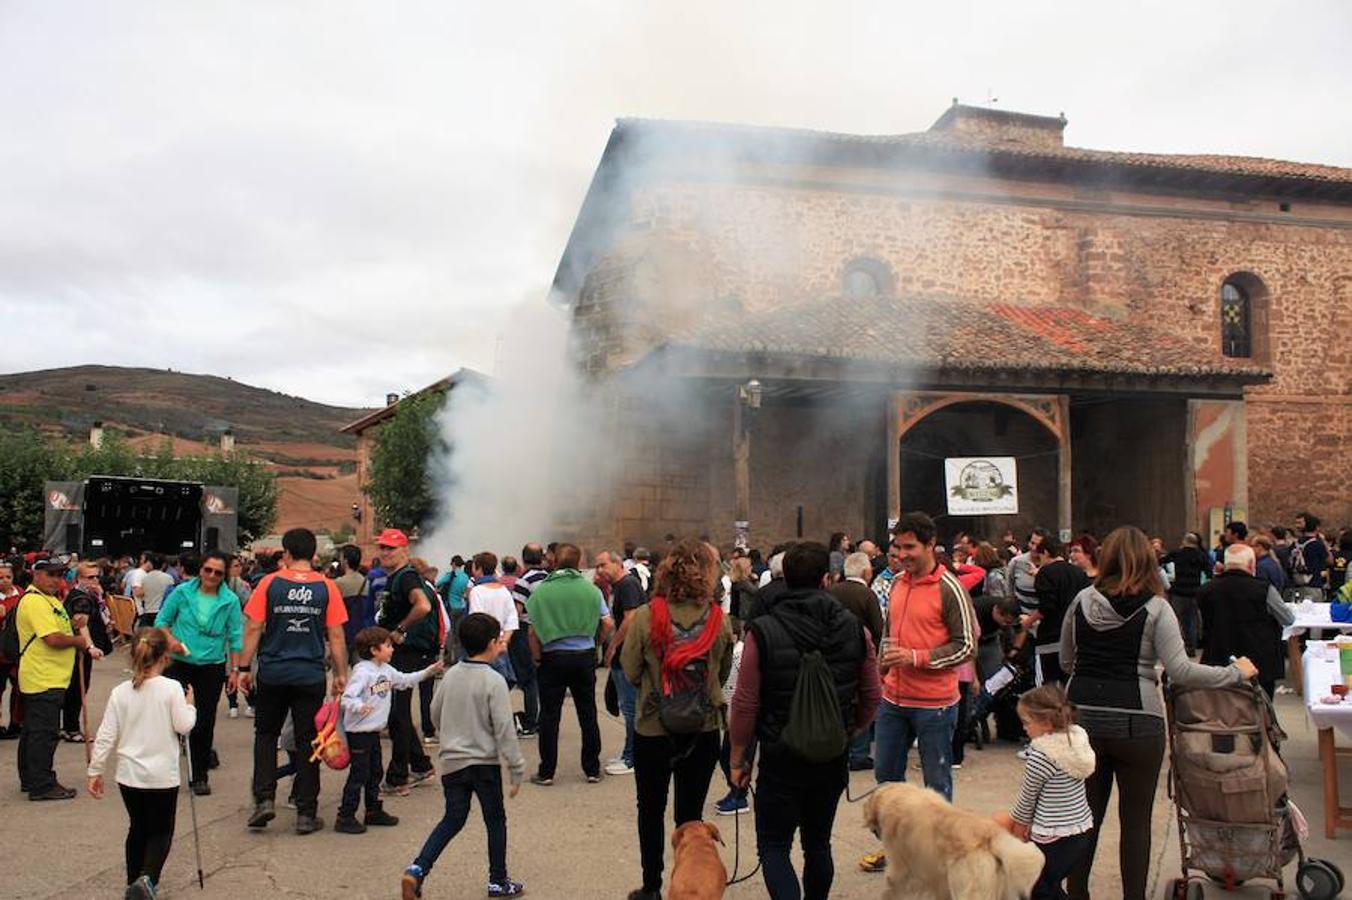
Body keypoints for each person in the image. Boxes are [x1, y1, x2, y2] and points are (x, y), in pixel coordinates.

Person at [1061, 525, 1258, 900]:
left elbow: (1069, 661)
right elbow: (1181, 670)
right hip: (1138, 720)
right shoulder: (1156, 608)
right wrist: (1234, 673)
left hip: (1082, 718)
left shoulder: (1081, 601)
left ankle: (1078, 892)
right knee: (1135, 823)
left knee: (1084, 818)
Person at [731, 542, 878, 900]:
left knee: (774, 844)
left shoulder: (762, 630)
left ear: (783, 579)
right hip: (831, 752)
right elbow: (873, 693)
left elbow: (745, 700)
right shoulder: (855, 629)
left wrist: (738, 755)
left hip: (781, 751)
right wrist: (849, 728)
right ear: (827, 579)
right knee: (818, 843)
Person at [860, 512, 976, 874]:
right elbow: (888, 635)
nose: (902, 554)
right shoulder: (895, 583)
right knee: (886, 782)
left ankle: (939, 859)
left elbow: (966, 646)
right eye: (897, 547)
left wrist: (916, 657)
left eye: (910, 547)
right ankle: (898, 851)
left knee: (936, 786)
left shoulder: (949, 587)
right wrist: (880, 670)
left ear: (930, 546)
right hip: (893, 700)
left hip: (935, 706)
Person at [620, 538, 734, 900]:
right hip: (702, 730)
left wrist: (657, 688)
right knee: (690, 816)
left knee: (649, 809)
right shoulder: (720, 618)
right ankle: (691, 884)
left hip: (653, 727)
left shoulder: (646, 615)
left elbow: (630, 668)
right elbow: (724, 669)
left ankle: (653, 886)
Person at [402, 613, 526, 899]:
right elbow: (504, 728)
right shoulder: (494, 681)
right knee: (495, 819)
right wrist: (516, 767)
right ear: (493, 643)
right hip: (484, 763)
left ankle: (418, 869)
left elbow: (434, 712)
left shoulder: (452, 675)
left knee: (453, 818)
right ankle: (498, 880)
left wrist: (452, 732)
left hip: (453, 763)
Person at [238, 527, 349, 834]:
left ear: (285, 553)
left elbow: (253, 628)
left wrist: (244, 668)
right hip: (310, 675)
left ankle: (263, 801)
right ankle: (305, 812)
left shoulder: (269, 583)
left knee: (266, 735)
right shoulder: (327, 587)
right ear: (313, 554)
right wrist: (341, 675)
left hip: (273, 672)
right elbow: (337, 636)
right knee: (307, 742)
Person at [86, 627, 197, 899]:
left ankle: (132, 880)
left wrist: (95, 769)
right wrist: (190, 705)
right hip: (161, 775)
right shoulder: (171, 689)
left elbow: (106, 734)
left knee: (137, 827)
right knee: (161, 830)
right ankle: (147, 879)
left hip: (129, 775)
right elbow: (183, 726)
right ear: (164, 657)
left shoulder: (121, 692)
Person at [338, 626, 444, 834]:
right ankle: (345, 815)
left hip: (373, 731)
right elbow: (347, 697)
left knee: (375, 771)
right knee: (359, 774)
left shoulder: (386, 670)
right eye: (387, 646)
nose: (392, 649)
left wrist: (428, 672)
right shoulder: (363, 672)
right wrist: (360, 707)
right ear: (374, 650)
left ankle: (372, 810)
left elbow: (404, 681)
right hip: (359, 733)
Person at [153, 550, 242, 795]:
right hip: (178, 663)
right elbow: (161, 622)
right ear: (201, 569)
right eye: (208, 570)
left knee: (203, 721)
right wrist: (170, 641)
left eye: (218, 573)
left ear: (224, 576)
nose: (212, 576)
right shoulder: (181, 593)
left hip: (211, 666)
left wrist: (235, 670)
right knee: (169, 719)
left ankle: (198, 776)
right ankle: (162, 774)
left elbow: (235, 637)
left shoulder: (230, 601)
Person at [996, 684, 1095, 900]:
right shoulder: (1077, 740)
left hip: (1052, 835)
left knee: (1035, 888)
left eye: (1026, 722)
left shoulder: (1042, 755)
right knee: (1050, 885)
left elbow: (1028, 798)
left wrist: (1018, 827)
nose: (1024, 728)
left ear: (1046, 723)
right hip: (1081, 830)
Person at [525, 542, 613, 786]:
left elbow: (532, 632)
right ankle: (592, 769)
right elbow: (607, 623)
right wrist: (596, 643)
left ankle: (547, 772)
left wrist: (536, 657)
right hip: (583, 655)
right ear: (578, 563)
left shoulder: (541, 591)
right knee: (588, 713)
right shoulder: (591, 590)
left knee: (550, 716)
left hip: (552, 657)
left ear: (554, 562)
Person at [16, 555, 92, 800]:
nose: (56, 580)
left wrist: (71, 623)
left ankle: (31, 778)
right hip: (43, 677)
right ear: (36, 575)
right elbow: (53, 639)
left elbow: (56, 629)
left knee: (33, 731)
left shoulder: (48, 600)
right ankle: (42, 783)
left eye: (60, 575)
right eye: (50, 574)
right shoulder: (35, 602)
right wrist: (79, 641)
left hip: (47, 675)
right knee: (43, 733)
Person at [374, 529, 440, 791]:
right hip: (404, 650)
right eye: (382, 548)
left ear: (404, 550)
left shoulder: (406, 577)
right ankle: (421, 765)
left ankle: (398, 775)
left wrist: (400, 630)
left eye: (391, 548)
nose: (385, 552)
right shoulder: (398, 577)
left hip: (407, 649)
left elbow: (422, 606)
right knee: (397, 710)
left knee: (397, 712)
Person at [1197, 543, 1294, 698]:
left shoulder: (1206, 590)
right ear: (1251, 564)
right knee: (1260, 707)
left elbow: (1201, 624)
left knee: (1221, 707)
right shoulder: (1264, 589)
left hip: (1218, 657)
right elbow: (1287, 619)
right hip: (1259, 660)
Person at [830, 550, 885, 772]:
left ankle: (839, 749)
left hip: (833, 655)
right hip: (860, 655)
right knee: (862, 699)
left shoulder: (832, 591)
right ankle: (859, 753)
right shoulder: (867, 595)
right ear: (865, 571)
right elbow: (878, 628)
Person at [599, 549, 646, 777]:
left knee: (630, 708)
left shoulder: (627, 585)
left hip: (628, 656)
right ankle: (629, 752)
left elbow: (631, 618)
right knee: (627, 706)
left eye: (603, 565)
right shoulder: (621, 586)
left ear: (617, 564)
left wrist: (613, 645)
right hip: (624, 656)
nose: (599, 570)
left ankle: (632, 757)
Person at [60, 561, 112, 742]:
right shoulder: (81, 599)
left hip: (80, 649)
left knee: (77, 688)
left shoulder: (88, 595)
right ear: (79, 578)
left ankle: (68, 726)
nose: (95, 580)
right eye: (90, 577)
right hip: (79, 651)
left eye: (97, 576)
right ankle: (71, 728)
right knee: (77, 688)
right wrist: (90, 647)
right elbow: (82, 626)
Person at [1030, 536, 1091, 686]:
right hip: (1074, 636)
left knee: (1047, 685)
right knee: (1068, 683)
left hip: (1050, 637)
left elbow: (1046, 607)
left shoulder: (1045, 573)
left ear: (1045, 552)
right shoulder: (1079, 573)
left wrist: (1028, 621)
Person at [507, 543, 548, 737]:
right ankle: (544, 719)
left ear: (523, 559)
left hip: (525, 631)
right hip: (547, 630)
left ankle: (531, 721)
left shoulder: (523, 581)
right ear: (542, 558)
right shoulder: (549, 579)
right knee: (542, 678)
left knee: (529, 679)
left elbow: (517, 611)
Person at [466, 552, 519, 687]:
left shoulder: (477, 591)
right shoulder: (504, 591)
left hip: (481, 649)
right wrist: (504, 642)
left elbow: (476, 620)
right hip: (500, 646)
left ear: (479, 569)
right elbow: (512, 621)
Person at [1162, 533, 1211, 654]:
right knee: (1192, 620)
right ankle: (1191, 647)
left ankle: (1176, 646)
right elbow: (1209, 572)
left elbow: (1161, 561)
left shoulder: (1177, 553)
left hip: (1178, 591)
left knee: (1175, 619)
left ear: (1184, 541)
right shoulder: (1201, 555)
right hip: (1194, 591)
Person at [0, 561, 24, 738]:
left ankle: (16, 724)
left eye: (8, 577)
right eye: (0, 577)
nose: (4, 581)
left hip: (17, 652)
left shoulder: (22, 595)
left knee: (19, 690)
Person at [134, 554, 174, 629]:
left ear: (151, 564)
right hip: (162, 613)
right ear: (164, 565)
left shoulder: (145, 578)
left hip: (147, 613)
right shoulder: (168, 578)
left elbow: (142, 594)